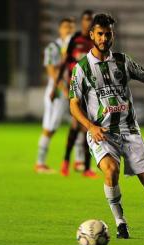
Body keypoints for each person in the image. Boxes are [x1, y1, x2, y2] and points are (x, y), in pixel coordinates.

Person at [69, 13, 144, 240]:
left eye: (108, 34)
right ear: (92, 34)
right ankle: (121, 224)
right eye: (100, 34)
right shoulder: (81, 68)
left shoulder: (123, 60)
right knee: (111, 171)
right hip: (102, 133)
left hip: (129, 129)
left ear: (113, 34)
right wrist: (90, 127)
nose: (104, 38)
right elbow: (73, 104)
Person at [55, 10, 98, 178]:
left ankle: (80, 165)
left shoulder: (96, 41)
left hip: (91, 89)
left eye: (91, 20)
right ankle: (70, 162)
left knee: (87, 126)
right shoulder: (76, 39)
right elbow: (66, 62)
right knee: (80, 125)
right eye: (86, 20)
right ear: (82, 22)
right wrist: (56, 86)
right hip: (76, 88)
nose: (88, 23)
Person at [35, 18, 74, 173]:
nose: (68, 30)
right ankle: (40, 163)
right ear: (60, 29)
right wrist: (64, 91)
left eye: (71, 27)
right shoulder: (53, 48)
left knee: (78, 126)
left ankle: (79, 162)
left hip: (71, 92)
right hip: (57, 93)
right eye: (65, 27)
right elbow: (52, 73)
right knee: (50, 127)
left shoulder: (74, 48)